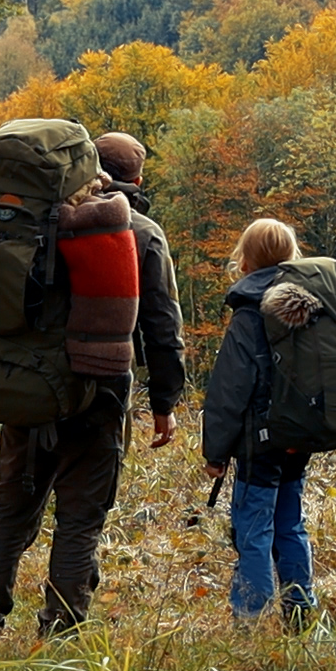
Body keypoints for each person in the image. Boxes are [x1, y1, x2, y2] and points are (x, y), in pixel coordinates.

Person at [0, 170, 144, 643]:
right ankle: (61, 631)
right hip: (96, 394)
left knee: (8, 510)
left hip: (26, 388)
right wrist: (165, 397)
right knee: (79, 519)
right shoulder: (131, 231)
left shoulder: (4, 225)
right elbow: (160, 322)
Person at [201, 218, 317, 624]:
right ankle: (300, 611)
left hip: (258, 440)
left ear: (245, 260)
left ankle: (249, 616)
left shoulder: (249, 312)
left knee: (252, 530)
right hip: (299, 435)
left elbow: (229, 389)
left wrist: (215, 451)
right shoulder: (312, 303)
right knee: (290, 524)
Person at [92, 132, 188, 447]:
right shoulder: (143, 232)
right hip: (104, 382)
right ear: (138, 179)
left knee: (17, 489)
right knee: (92, 490)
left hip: (34, 376)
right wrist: (164, 403)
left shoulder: (47, 217)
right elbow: (162, 323)